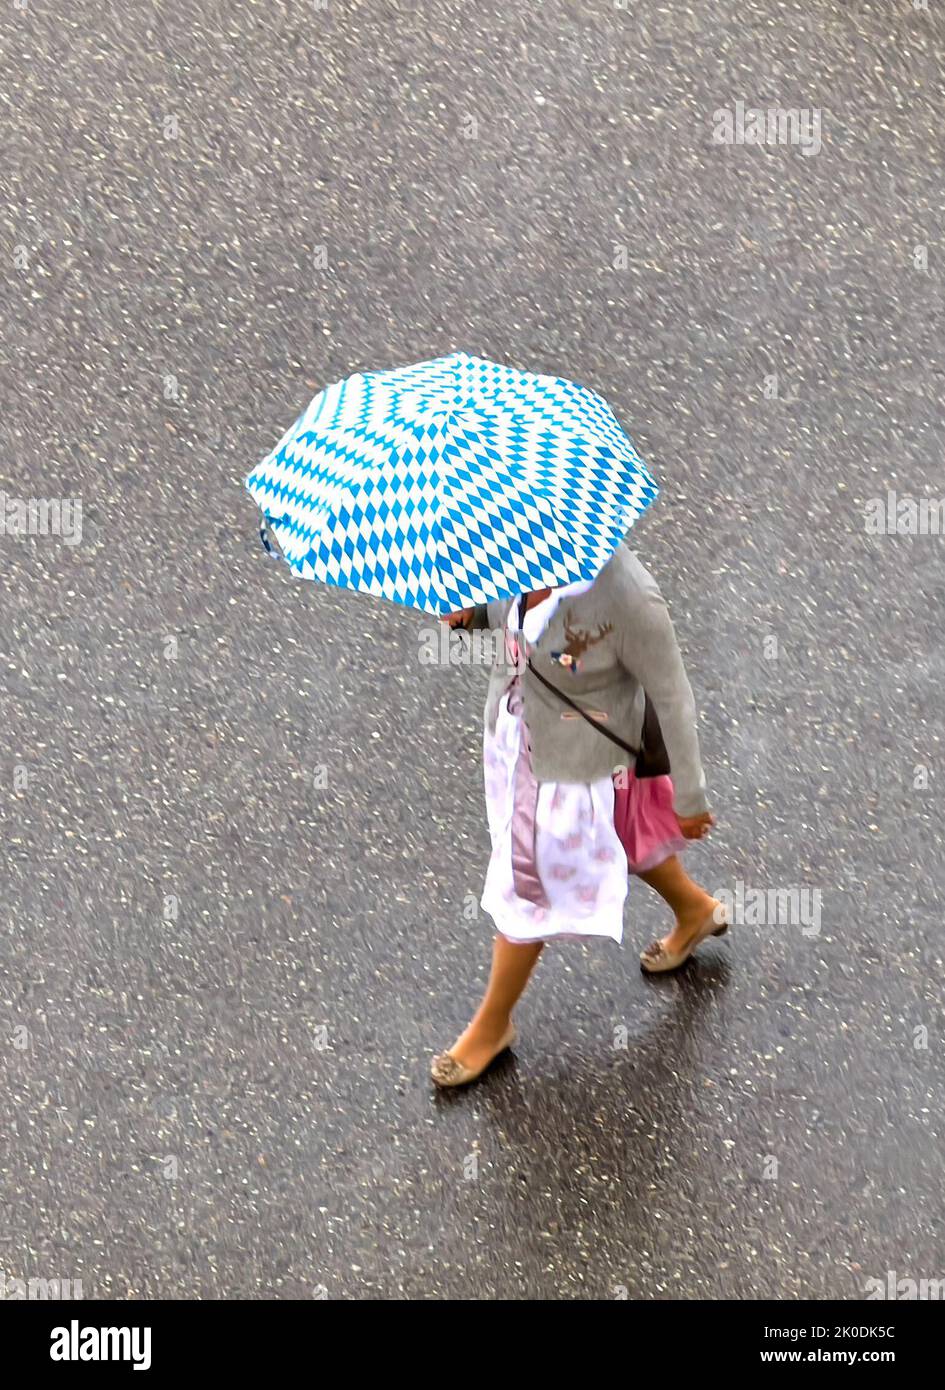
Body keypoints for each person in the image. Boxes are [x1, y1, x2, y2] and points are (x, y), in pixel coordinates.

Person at [430, 542, 728, 1088]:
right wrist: (472, 615)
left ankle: (490, 1027)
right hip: (518, 747)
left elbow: (673, 697)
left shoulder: (628, 596)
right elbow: (509, 616)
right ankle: (696, 911)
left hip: (574, 775)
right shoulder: (514, 551)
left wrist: (691, 798)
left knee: (526, 887)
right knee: (625, 842)